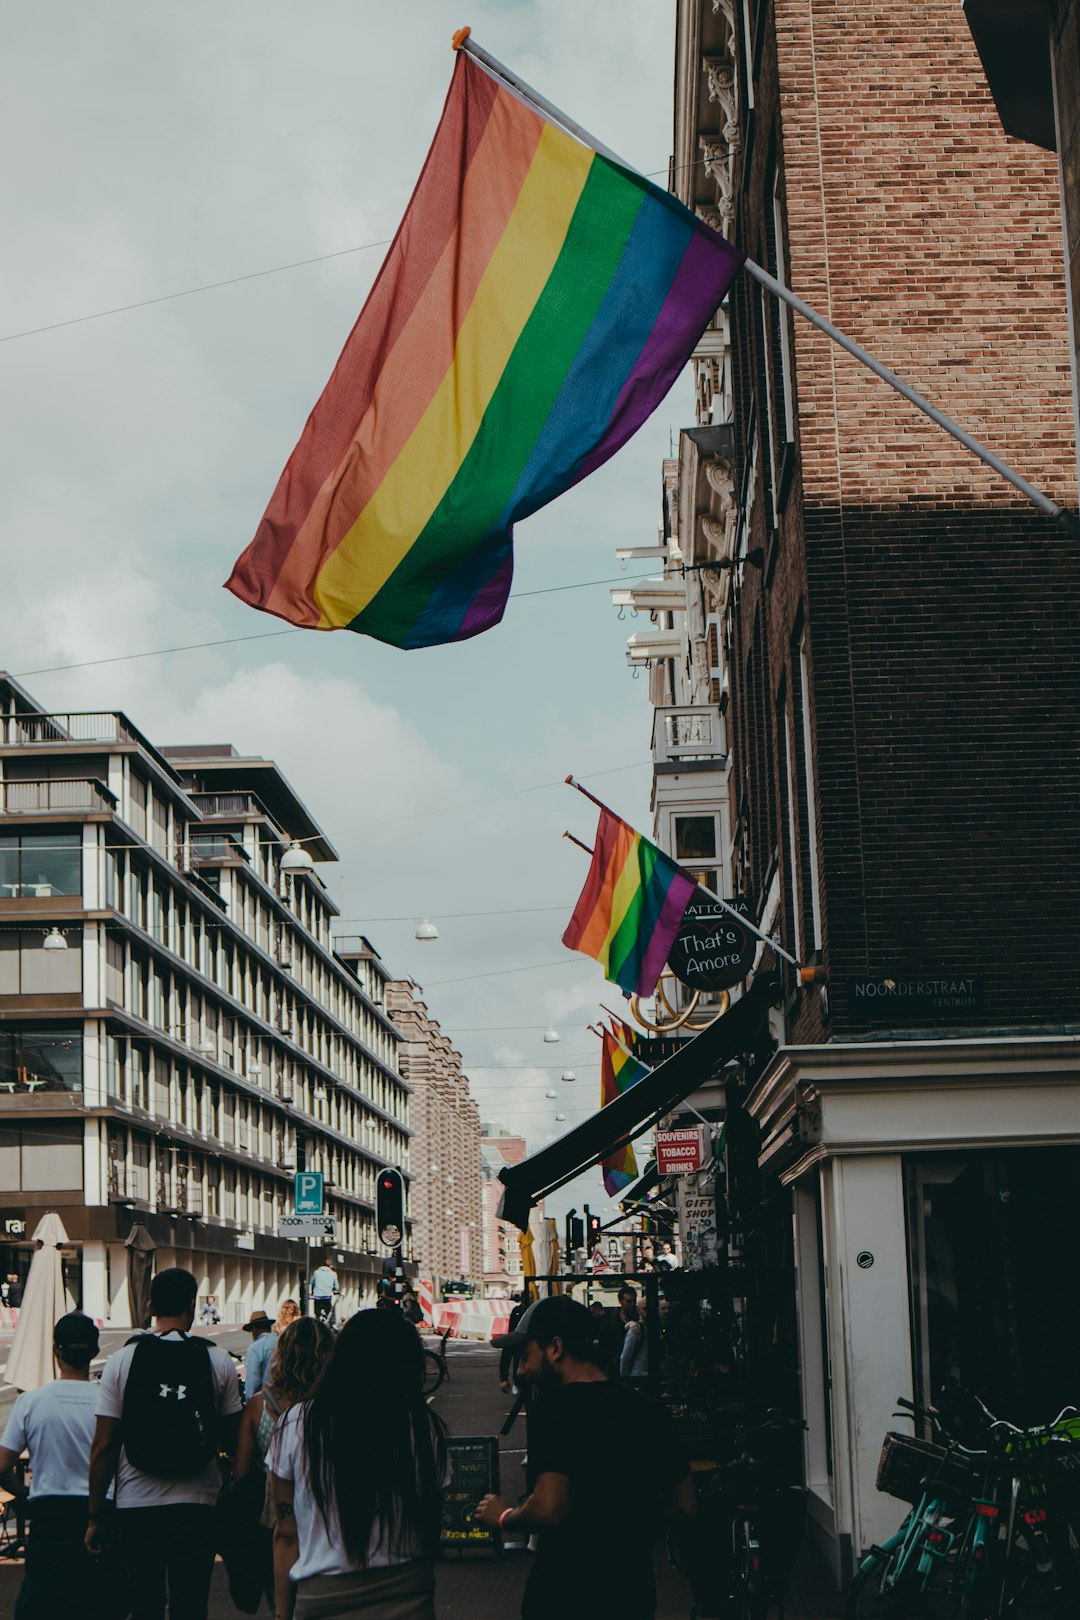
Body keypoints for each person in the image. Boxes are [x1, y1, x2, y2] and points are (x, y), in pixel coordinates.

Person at [479, 1297, 705, 1620]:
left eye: (525, 1356)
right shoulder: (651, 1413)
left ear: (555, 1348)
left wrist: (503, 1517)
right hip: (631, 1596)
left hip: (563, 1598)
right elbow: (685, 1507)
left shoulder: (556, 1412)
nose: (521, 1370)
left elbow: (548, 1506)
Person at [268, 1308, 450, 1619]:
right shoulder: (422, 1427)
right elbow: (433, 1526)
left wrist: (282, 1615)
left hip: (323, 1600)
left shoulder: (296, 1424)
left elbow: (287, 1535)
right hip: (408, 1596)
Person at [87, 1266, 243, 1620]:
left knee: (145, 1603)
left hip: (137, 1504)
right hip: (199, 1503)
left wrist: (96, 1513)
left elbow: (104, 1445)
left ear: (150, 1306)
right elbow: (233, 1438)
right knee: (191, 1605)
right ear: (191, 1305)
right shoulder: (217, 1360)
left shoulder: (123, 1360)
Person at [0, 1312, 114, 1619]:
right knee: (95, 1601)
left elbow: (1, 1465)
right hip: (100, 1510)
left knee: (42, 1600)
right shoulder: (109, 1401)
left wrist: (24, 1498)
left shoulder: (31, 1402)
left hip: (48, 1512)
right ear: (94, 1351)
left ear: (56, 1350)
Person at [233, 1318, 335, 1612]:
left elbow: (242, 1473)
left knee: (281, 1600)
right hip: (325, 1522)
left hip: (275, 1521)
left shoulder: (259, 1405)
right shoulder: (334, 1406)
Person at [242, 1308, 276, 1397]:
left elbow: (252, 1383)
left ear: (254, 1329)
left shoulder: (255, 1348)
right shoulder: (282, 1341)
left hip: (266, 1402)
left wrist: (250, 1405)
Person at [620, 1297, 650, 1383]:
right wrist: (625, 1379)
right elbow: (626, 1356)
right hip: (639, 1377)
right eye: (645, 1308)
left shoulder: (640, 1328)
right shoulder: (636, 1330)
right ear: (638, 1311)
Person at [309, 1260, 338, 1325]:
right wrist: (335, 1290)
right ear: (331, 1266)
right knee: (330, 1312)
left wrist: (312, 1291)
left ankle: (317, 1321)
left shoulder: (316, 1272)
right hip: (327, 1296)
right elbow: (336, 1286)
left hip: (317, 1296)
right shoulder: (333, 1274)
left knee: (317, 1313)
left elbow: (313, 1283)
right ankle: (330, 1323)